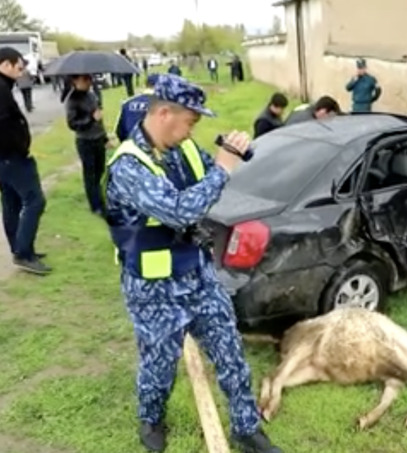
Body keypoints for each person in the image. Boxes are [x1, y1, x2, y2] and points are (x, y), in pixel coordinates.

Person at [101, 74, 282, 453]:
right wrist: (223, 167)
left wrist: (234, 153)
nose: (192, 130)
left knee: (229, 350)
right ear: (164, 113)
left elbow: (210, 179)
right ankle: (151, 419)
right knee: (159, 364)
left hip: (197, 274)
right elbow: (180, 211)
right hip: (154, 288)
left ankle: (247, 429)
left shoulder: (181, 149)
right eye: (191, 120)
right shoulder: (128, 166)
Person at [0, 47, 50, 275]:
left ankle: (20, 249)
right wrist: (20, 148)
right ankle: (22, 253)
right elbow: (4, 127)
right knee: (35, 200)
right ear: (5, 65)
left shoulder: (5, 87)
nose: (22, 71)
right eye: (19, 67)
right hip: (11, 157)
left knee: (11, 202)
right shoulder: (1, 89)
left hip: (6, 158)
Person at [66, 74, 110, 216]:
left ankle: (99, 198)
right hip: (85, 141)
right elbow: (73, 124)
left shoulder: (91, 95)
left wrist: (105, 138)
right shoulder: (73, 99)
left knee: (100, 171)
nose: (88, 82)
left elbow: (99, 120)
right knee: (90, 174)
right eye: (85, 79)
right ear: (75, 80)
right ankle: (96, 205)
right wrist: (90, 118)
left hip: (97, 138)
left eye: (89, 79)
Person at [114, 73, 159, 142]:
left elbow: (119, 131)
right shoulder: (162, 103)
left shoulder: (127, 103)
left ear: (146, 85)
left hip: (131, 145)